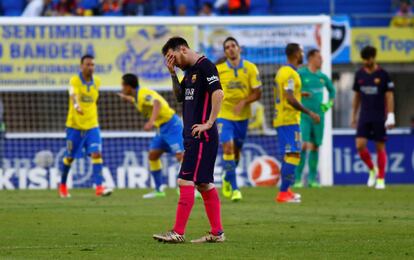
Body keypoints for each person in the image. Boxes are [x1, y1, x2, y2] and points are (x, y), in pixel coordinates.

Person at [153, 37, 225, 243]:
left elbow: (218, 93)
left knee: (185, 179)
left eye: (173, 58)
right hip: (193, 135)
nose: (173, 63)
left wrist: (209, 122)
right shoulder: (190, 72)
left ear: (183, 49)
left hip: (201, 135)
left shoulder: (205, 66)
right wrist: (172, 74)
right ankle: (217, 232)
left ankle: (178, 232)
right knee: (203, 183)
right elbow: (179, 97)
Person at [118, 73, 184, 199]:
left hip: (171, 125)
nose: (121, 88)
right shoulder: (137, 96)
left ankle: (186, 186)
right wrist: (126, 98)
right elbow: (137, 101)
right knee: (153, 155)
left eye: (123, 86)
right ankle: (159, 190)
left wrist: (151, 121)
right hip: (162, 128)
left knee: (181, 156)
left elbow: (157, 103)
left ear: (128, 87)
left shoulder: (143, 93)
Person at [58, 54, 112, 198]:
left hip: (92, 126)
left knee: (96, 154)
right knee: (69, 158)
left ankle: (99, 187)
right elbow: (72, 94)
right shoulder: (75, 80)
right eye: (88, 64)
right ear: (81, 66)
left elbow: (95, 101)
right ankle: (63, 185)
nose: (90, 67)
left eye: (92, 65)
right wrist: (76, 106)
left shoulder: (97, 82)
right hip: (74, 126)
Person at [216, 37, 262, 201]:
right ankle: (235, 188)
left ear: (239, 48)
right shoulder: (219, 70)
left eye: (233, 46)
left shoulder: (250, 68)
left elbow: (258, 93)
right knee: (228, 148)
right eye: (227, 47)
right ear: (225, 52)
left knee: (236, 151)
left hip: (243, 117)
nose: (230, 49)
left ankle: (227, 177)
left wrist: (243, 101)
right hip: (224, 116)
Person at [274, 43, 320, 203]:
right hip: (288, 119)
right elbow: (289, 97)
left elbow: (289, 93)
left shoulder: (284, 71)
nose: (303, 55)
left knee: (291, 155)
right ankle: (283, 193)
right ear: (295, 54)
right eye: (301, 52)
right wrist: (309, 112)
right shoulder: (290, 73)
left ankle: (286, 190)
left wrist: (301, 93)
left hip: (285, 119)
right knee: (293, 155)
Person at [351, 45, 395, 190]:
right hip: (364, 115)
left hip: (379, 115)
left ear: (373, 58)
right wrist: (354, 116)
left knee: (380, 147)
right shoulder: (359, 74)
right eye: (363, 59)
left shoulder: (383, 74)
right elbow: (357, 96)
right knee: (359, 145)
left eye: (367, 59)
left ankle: (381, 179)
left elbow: (389, 96)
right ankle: (372, 169)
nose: (365, 62)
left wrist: (390, 115)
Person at [294, 49, 336, 188]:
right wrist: (300, 93)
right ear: (311, 58)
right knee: (303, 145)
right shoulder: (301, 74)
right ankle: (298, 179)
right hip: (304, 115)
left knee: (315, 146)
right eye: (319, 57)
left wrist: (327, 105)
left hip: (319, 116)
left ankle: (312, 180)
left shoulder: (322, 77)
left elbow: (332, 91)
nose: (321, 60)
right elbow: (290, 90)